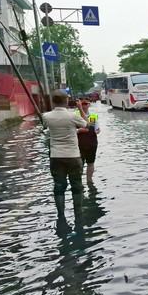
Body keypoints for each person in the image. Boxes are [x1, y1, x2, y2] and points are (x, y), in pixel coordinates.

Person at [43, 89, 89, 231]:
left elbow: (45, 126)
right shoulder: (72, 116)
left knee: (59, 185)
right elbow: (87, 125)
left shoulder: (46, 116)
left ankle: (61, 214)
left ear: (53, 101)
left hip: (56, 156)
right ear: (66, 101)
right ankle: (78, 212)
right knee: (76, 185)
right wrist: (80, 109)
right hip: (73, 156)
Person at [75, 97, 100, 183]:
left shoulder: (94, 116)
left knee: (91, 162)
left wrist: (97, 131)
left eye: (86, 104)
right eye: (83, 104)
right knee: (79, 163)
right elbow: (71, 130)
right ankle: (78, 180)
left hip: (91, 143)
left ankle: (89, 180)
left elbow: (97, 128)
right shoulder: (76, 115)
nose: (84, 106)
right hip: (80, 143)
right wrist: (79, 130)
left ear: (89, 105)